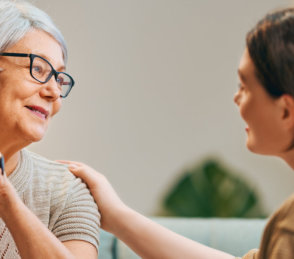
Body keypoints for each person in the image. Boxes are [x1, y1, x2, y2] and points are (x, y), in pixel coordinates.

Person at [59, 6, 294, 259]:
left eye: (245, 87)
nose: (237, 98)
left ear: (285, 111)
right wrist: (117, 217)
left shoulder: (288, 226)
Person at [0, 0, 100, 258]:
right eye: (38, 69)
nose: (54, 92)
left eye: (59, 78)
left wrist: (7, 200)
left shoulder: (66, 191)